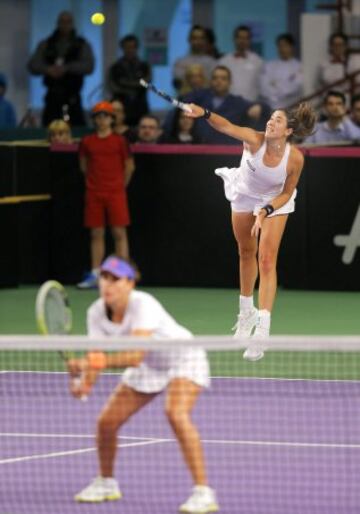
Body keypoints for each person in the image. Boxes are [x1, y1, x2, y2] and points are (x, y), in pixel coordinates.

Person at [68, 256, 219, 514]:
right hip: (150, 365)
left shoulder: (143, 304)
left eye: (115, 279)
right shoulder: (95, 312)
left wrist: (90, 364)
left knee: (175, 413)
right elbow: (97, 353)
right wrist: (85, 384)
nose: (108, 284)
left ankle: (203, 492)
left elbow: (134, 355)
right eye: (104, 277)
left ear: (130, 283)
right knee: (106, 423)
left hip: (183, 357)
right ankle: (106, 483)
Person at [185, 101, 316, 360]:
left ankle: (262, 332)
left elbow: (288, 192)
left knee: (267, 260)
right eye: (270, 118)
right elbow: (226, 127)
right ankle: (246, 314)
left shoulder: (295, 159)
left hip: (274, 201)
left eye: (277, 120)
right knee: (246, 252)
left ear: (288, 131)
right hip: (244, 194)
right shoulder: (254, 140)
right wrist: (205, 114)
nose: (270, 122)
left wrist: (266, 210)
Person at [77, 102, 135, 289]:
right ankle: (95, 273)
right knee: (96, 233)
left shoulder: (120, 141)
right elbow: (84, 166)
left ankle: (124, 275)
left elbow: (129, 167)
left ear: (111, 119)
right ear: (94, 120)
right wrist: (96, 184)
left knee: (119, 232)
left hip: (116, 193)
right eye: (98, 116)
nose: (102, 120)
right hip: (94, 193)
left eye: (105, 116)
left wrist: (118, 186)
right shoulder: (87, 142)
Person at [165, 65, 269, 145]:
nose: (219, 81)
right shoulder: (199, 96)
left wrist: (259, 107)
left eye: (223, 78)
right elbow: (178, 110)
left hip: (225, 152)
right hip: (199, 150)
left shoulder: (238, 102)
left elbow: (265, 108)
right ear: (210, 81)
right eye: (215, 78)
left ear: (230, 82)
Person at [28, 11, 94, 126]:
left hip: (73, 96)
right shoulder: (46, 44)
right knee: (50, 130)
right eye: (62, 22)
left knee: (76, 131)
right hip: (52, 96)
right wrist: (48, 69)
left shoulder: (81, 44)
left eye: (68, 22)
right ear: (57, 23)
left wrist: (67, 68)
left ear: (72, 24)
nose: (65, 25)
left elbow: (89, 66)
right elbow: (33, 65)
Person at [108, 34, 151, 126]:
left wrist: (124, 83)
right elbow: (114, 87)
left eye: (132, 47)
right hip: (121, 107)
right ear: (122, 48)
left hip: (140, 107)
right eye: (127, 47)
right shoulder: (116, 67)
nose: (130, 50)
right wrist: (136, 85)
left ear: (137, 48)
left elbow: (146, 83)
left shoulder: (144, 66)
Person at [219, 25, 263, 101]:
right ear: (234, 39)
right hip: (228, 105)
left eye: (246, 38)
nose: (242, 41)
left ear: (250, 40)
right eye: (240, 37)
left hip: (251, 105)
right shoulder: (224, 61)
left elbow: (262, 86)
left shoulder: (258, 61)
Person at [260, 33, 303, 109]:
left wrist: (275, 84)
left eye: (285, 46)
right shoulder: (269, 65)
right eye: (280, 46)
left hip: (291, 107)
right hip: (272, 108)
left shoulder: (298, 66)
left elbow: (294, 87)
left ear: (291, 47)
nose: (282, 49)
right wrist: (279, 90)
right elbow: (264, 86)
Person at [173, 25, 217, 92]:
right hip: (185, 98)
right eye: (195, 38)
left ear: (205, 40)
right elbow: (179, 84)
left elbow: (213, 84)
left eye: (201, 38)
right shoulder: (180, 62)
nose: (198, 41)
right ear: (189, 39)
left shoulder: (212, 63)